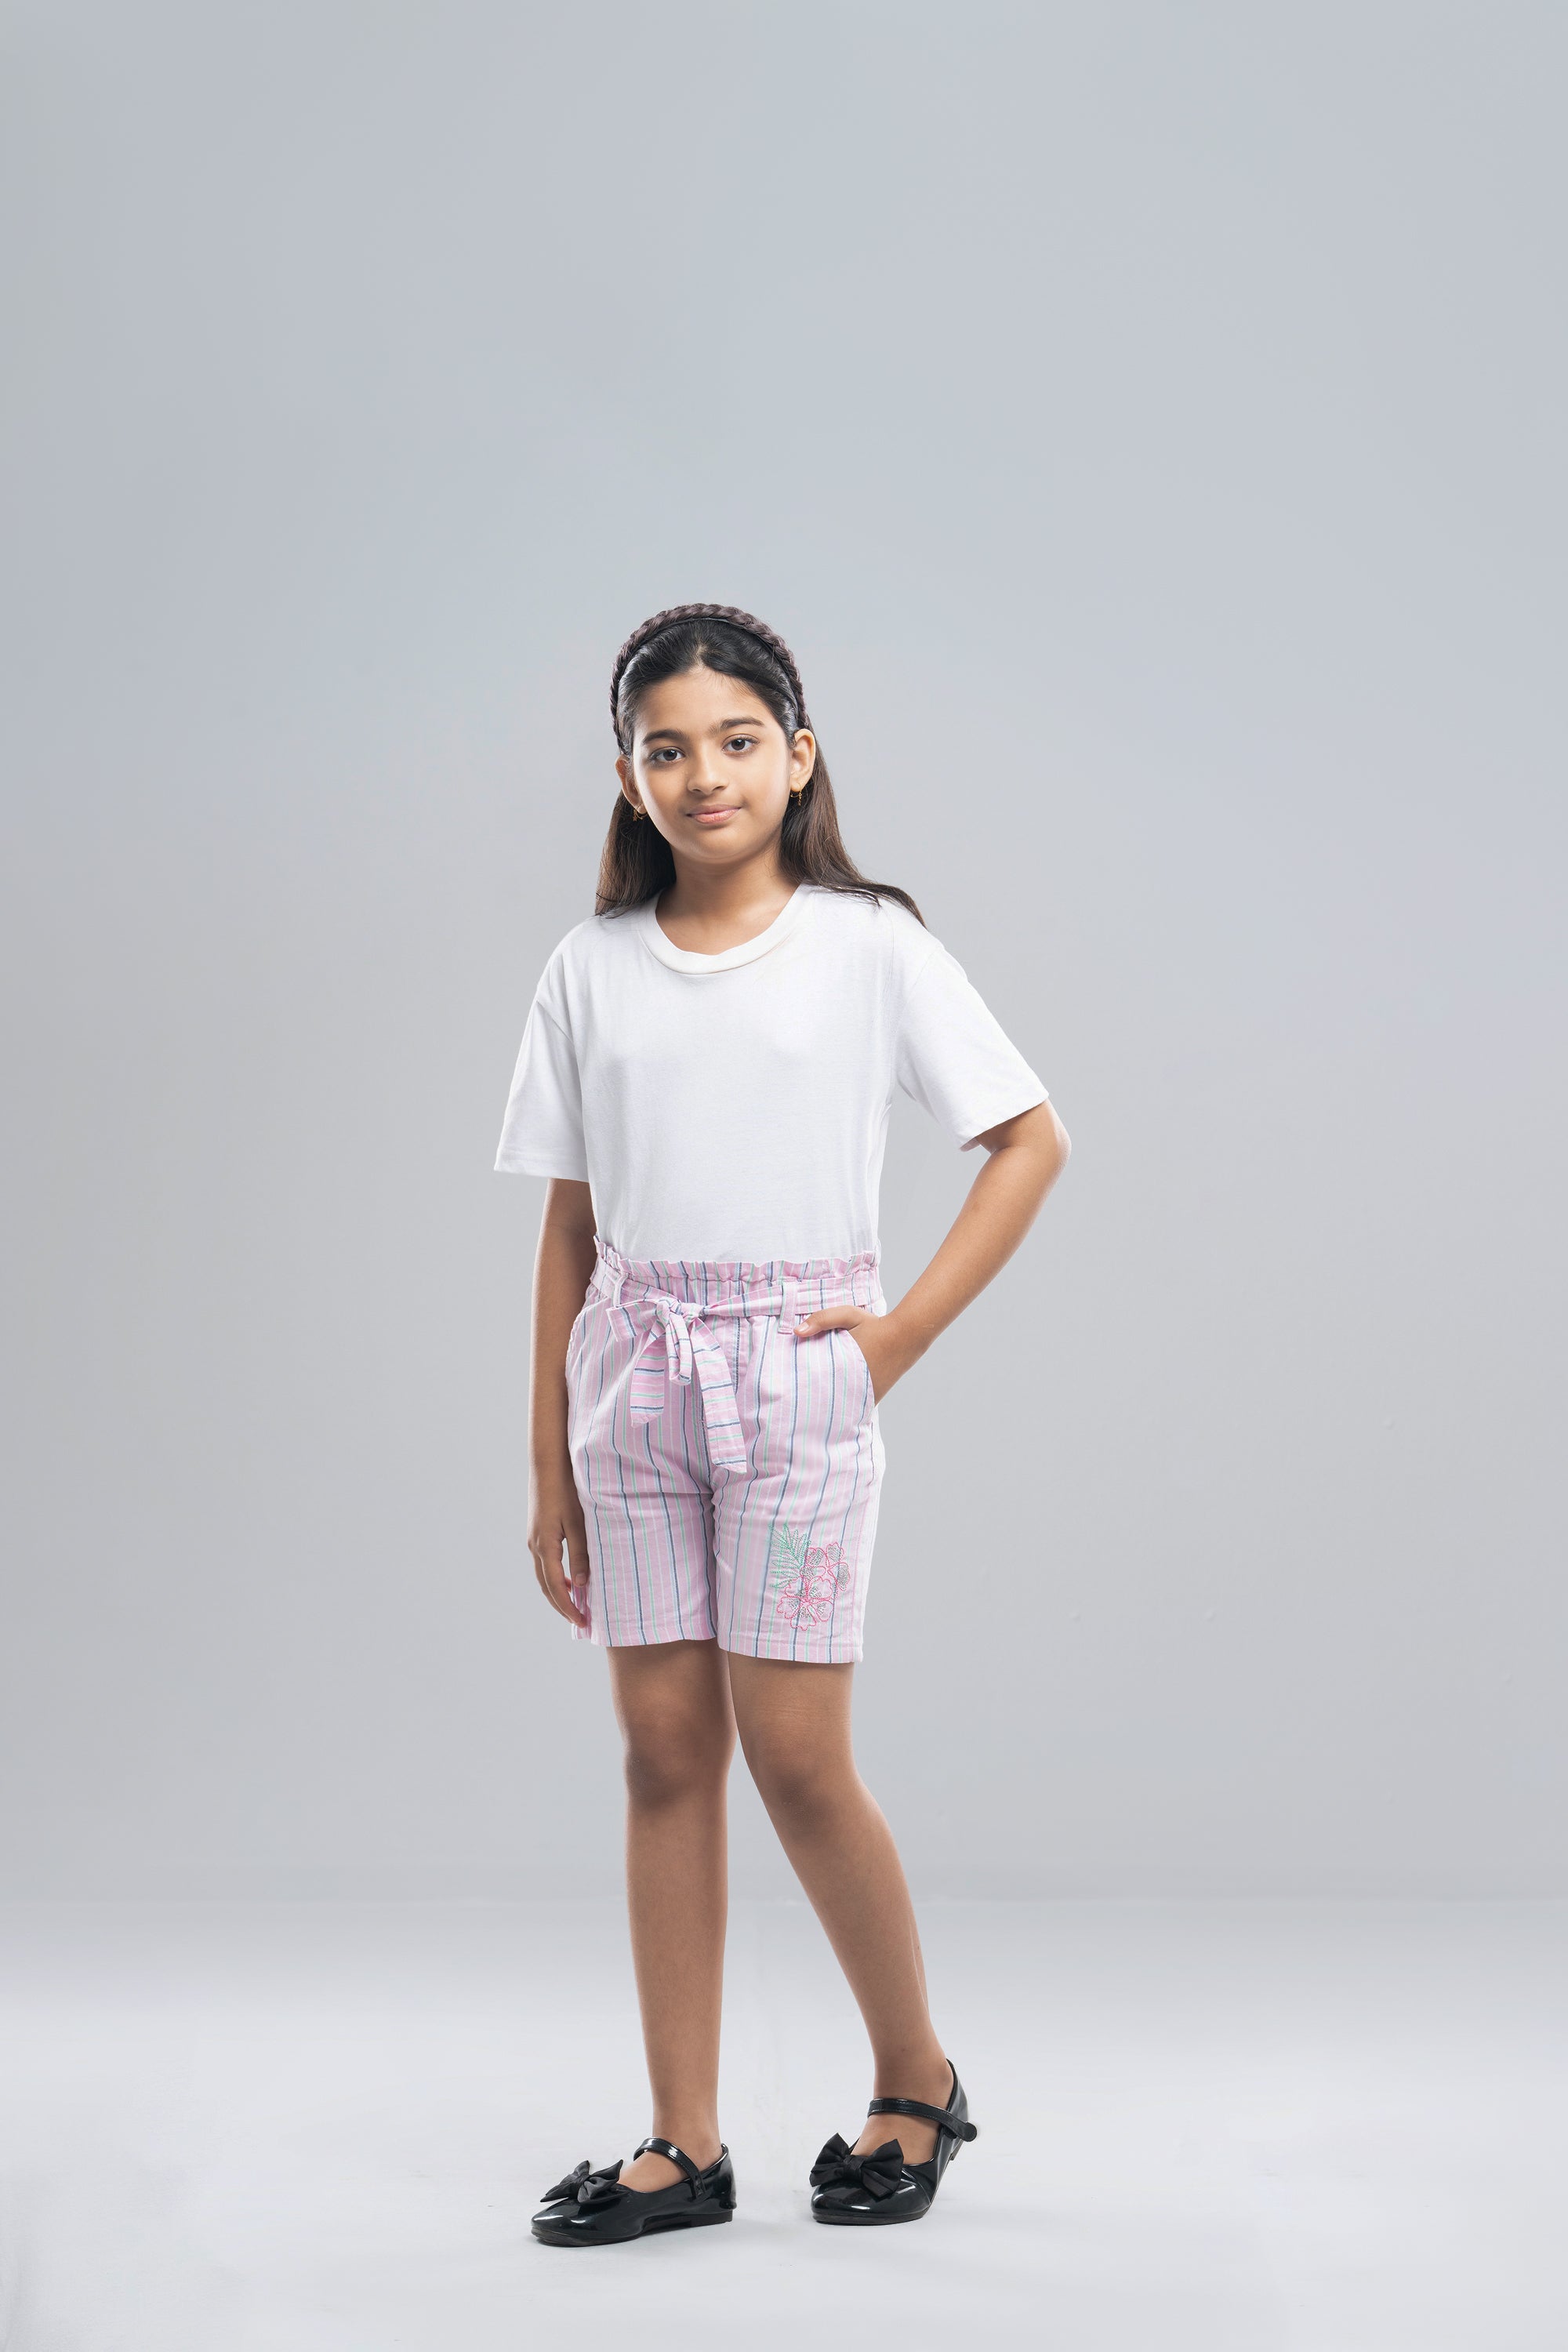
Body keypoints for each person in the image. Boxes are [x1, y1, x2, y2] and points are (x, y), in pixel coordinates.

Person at [495, 603, 1070, 2245]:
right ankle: (683, 2141)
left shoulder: (867, 946)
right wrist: (547, 1464)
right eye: (666, 749)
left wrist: (894, 1338)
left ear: (799, 756)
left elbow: (1029, 1139)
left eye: (737, 741)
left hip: (798, 1384)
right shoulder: (589, 969)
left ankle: (915, 2079)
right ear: (628, 777)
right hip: (631, 1385)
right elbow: (569, 1228)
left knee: (799, 1758)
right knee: (664, 1753)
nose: (706, 775)